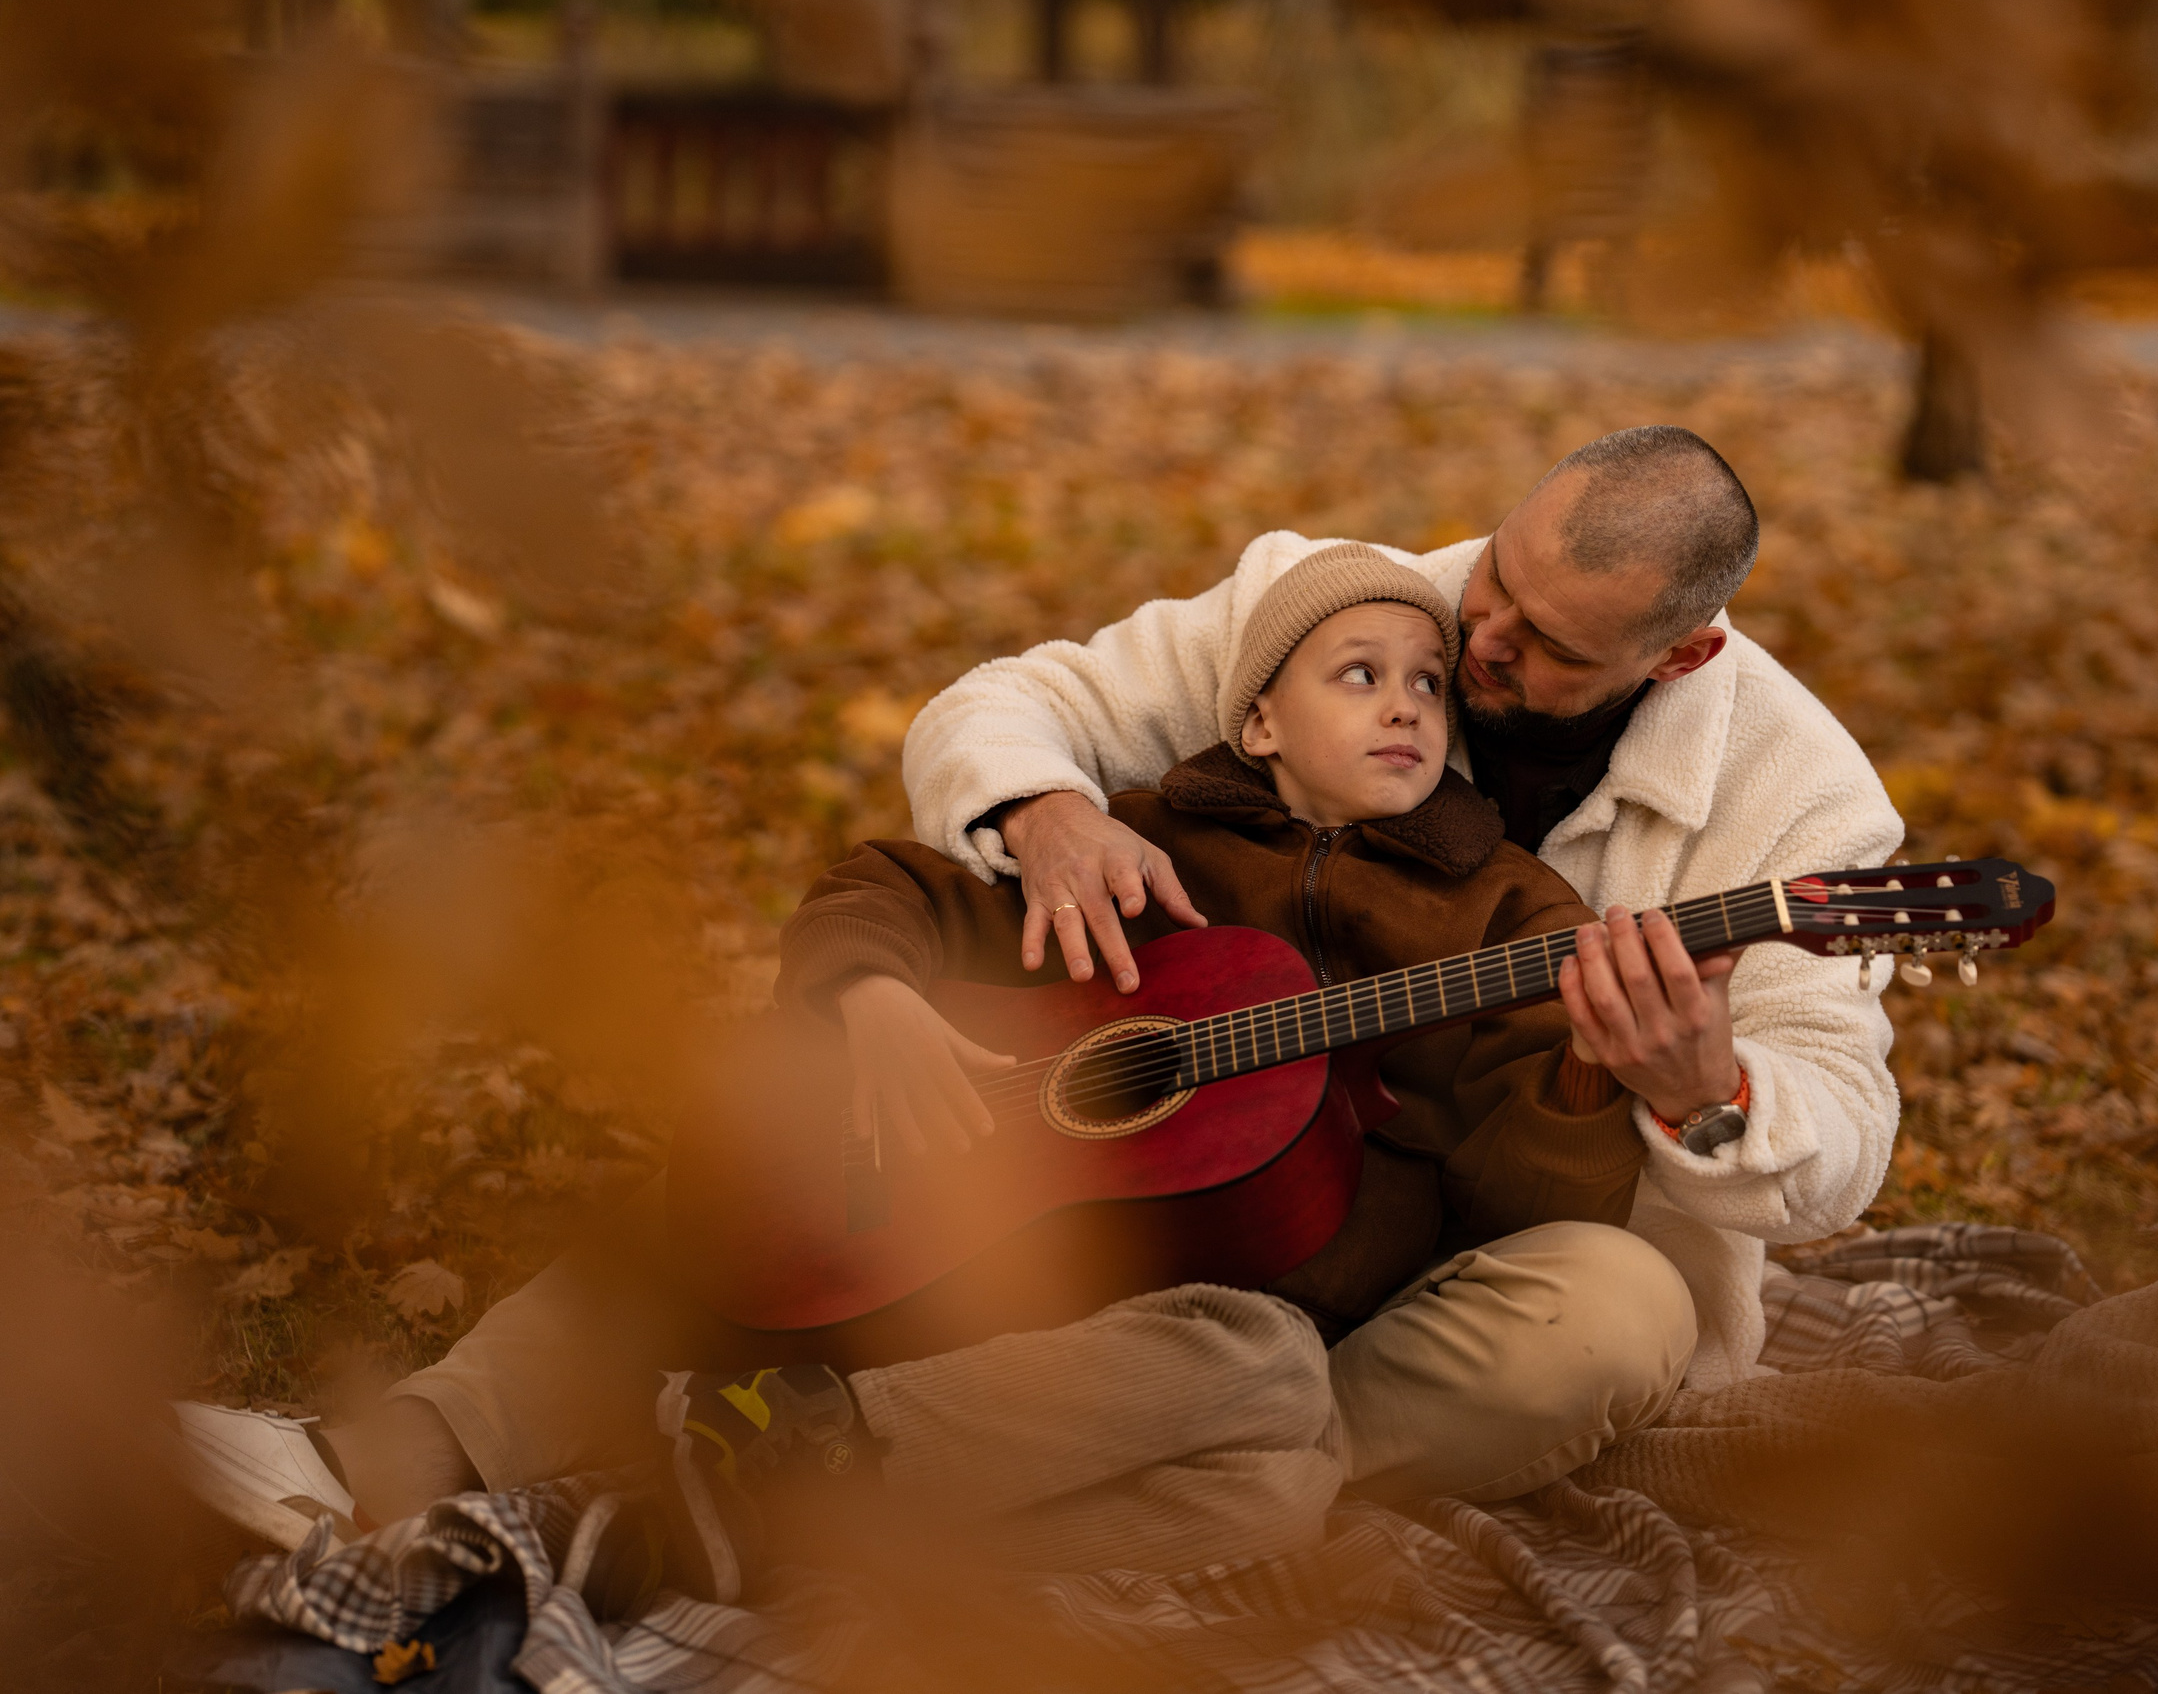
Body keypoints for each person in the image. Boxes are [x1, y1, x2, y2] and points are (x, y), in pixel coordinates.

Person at [185, 545, 1697, 1584]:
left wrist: (1597, 1075)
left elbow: (1530, 1208)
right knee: (738, 1190)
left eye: (1427, 685)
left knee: (1277, 1455)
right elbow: (891, 886)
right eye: (1356, 673)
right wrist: (874, 1000)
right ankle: (383, 1450)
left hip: (1165, 1338)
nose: (1405, 703)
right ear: (1256, 717)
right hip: (974, 1224)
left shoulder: (1514, 913)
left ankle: (749, 1506)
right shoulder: (1149, 840)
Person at [899, 424, 1904, 1399]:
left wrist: (1706, 1094)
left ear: (1680, 656)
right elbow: (1007, 703)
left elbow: (1844, 1141)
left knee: (1619, 1315)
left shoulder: (1806, 796)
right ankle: (1223, 1422)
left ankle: (1217, 1420)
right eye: (1499, 574)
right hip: (1203, 1205)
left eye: (1552, 644)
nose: (1483, 639)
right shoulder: (1336, 608)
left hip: (1508, 1276)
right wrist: (1046, 811)